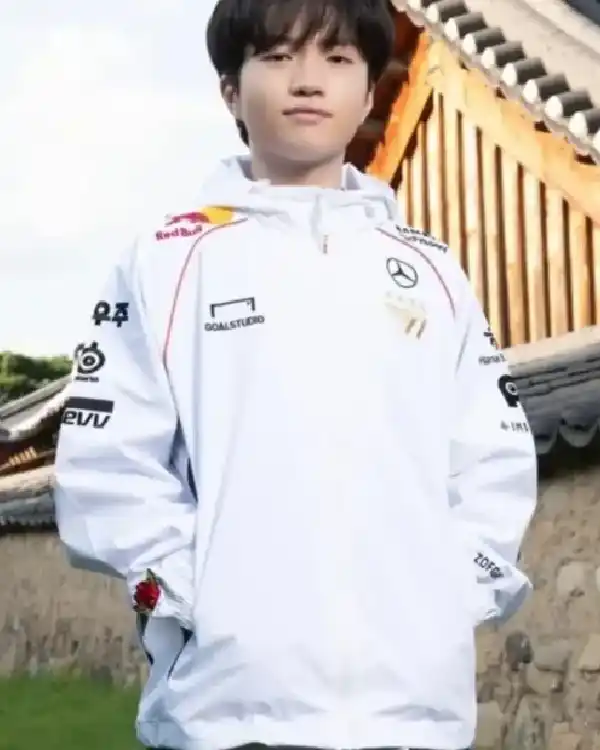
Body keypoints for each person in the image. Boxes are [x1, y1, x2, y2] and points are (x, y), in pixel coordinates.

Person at [53, 1, 538, 749]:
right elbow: (106, 465)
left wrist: (447, 597)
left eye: (338, 60)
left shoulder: (433, 271)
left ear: (370, 93)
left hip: (414, 713)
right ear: (230, 90)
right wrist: (200, 595)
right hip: (227, 713)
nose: (308, 81)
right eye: (278, 57)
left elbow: (493, 458)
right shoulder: (168, 260)